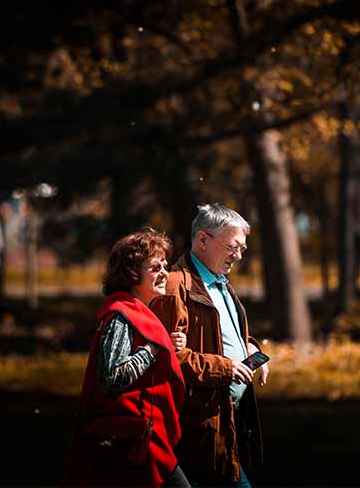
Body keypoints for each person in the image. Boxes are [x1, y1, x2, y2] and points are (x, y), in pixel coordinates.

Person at [149, 204, 269, 487]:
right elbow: (168, 357)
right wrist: (227, 368)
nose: (238, 256)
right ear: (203, 240)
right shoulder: (175, 284)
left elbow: (226, 334)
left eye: (242, 248)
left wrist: (249, 349)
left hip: (227, 422)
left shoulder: (221, 282)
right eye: (232, 246)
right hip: (198, 427)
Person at [64, 228, 190, 487]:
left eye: (165, 265)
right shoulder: (122, 315)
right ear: (133, 273)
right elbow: (112, 378)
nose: (165, 273)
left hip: (142, 439)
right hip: (131, 443)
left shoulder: (135, 312)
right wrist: (154, 349)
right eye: (155, 267)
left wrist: (165, 343)